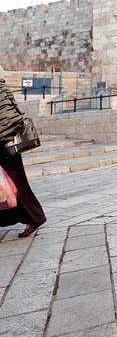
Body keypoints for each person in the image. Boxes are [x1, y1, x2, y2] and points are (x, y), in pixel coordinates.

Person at [0, 66, 46, 238]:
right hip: (8, 142)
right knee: (8, 186)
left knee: (15, 185)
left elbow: (5, 119)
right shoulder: (4, 88)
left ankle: (35, 217)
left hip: (4, 144)